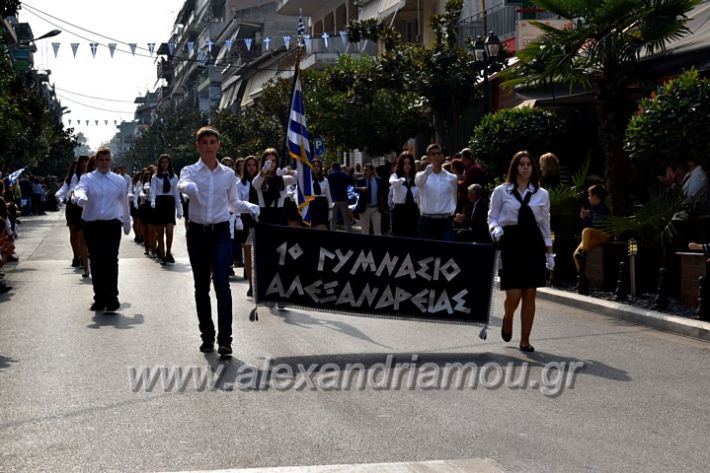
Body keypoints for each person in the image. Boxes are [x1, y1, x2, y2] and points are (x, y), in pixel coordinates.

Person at [178, 127, 260, 357]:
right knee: (201, 286)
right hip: (197, 233)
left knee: (222, 284)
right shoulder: (190, 171)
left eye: (212, 142)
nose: (208, 146)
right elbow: (182, 185)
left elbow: (233, 203)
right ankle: (207, 337)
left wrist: (249, 207)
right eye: (204, 142)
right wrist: (189, 189)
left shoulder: (227, 174)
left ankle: (225, 340)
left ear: (219, 145)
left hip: (221, 232)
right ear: (198, 145)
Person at [488, 151, 553, 352]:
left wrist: (550, 252)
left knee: (530, 293)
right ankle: (508, 318)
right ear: (515, 167)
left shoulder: (542, 194)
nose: (525, 167)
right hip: (511, 242)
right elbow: (492, 217)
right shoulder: (501, 191)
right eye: (521, 164)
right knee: (514, 294)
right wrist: (495, 229)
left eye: (529, 164)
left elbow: (544, 224)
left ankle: (525, 340)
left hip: (532, 244)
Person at [73, 147, 131, 312]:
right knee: (97, 261)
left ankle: (112, 297)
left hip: (112, 223)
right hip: (92, 224)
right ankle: (99, 297)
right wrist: (81, 197)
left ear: (111, 161)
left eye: (107, 160)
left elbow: (124, 202)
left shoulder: (118, 180)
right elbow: (79, 190)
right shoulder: (88, 178)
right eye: (101, 160)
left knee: (111, 260)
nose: (104, 163)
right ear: (96, 162)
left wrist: (127, 221)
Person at [415, 144, 458, 241]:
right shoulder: (421, 175)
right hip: (427, 220)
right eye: (433, 154)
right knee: (427, 254)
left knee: (446, 252)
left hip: (445, 221)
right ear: (428, 158)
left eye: (439, 153)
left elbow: (454, 198)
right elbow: (418, 183)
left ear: (442, 156)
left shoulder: (452, 178)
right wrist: (426, 172)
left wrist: (451, 213)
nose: (436, 156)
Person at [56, 156, 90, 278]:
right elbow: (68, 190)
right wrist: (60, 196)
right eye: (82, 162)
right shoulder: (72, 177)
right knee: (74, 233)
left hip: (86, 206)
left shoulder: (92, 176)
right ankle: (77, 256)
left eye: (86, 162)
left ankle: (83, 256)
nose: (84, 164)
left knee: (83, 234)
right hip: (73, 207)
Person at [150, 154, 183, 265]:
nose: (164, 164)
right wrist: (153, 201)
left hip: (169, 203)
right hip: (159, 202)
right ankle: (162, 255)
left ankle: (168, 252)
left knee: (169, 230)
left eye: (166, 162)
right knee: (159, 231)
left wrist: (179, 209)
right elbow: (153, 191)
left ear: (169, 164)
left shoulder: (174, 177)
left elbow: (176, 194)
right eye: (162, 162)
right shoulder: (155, 177)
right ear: (160, 164)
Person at [389, 152, 420, 238]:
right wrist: (402, 179)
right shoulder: (395, 176)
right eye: (405, 163)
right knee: (399, 243)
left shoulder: (416, 178)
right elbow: (393, 183)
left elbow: (419, 197)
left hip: (413, 212)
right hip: (399, 211)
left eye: (409, 163)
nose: (407, 166)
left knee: (413, 240)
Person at [354, 164, 387, 235]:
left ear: (372, 171)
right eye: (364, 170)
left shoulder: (379, 180)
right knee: (365, 230)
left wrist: (384, 207)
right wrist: (361, 189)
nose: (364, 172)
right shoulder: (360, 180)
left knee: (377, 230)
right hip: (364, 209)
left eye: (366, 170)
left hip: (376, 209)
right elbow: (354, 189)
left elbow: (383, 193)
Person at [327, 162, 352, 232]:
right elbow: (349, 182)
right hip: (343, 198)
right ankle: (348, 232)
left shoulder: (330, 175)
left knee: (333, 219)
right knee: (346, 219)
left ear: (333, 167)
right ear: (339, 167)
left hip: (333, 199)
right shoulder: (343, 174)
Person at [309, 158, 332, 230]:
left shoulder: (325, 180)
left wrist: (330, 209)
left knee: (322, 227)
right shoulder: (307, 179)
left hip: (322, 205)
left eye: (318, 166)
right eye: (314, 166)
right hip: (311, 204)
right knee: (312, 226)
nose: (316, 168)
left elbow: (328, 195)